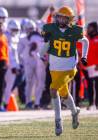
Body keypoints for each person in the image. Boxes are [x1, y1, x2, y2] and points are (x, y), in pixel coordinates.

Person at [41, 6, 89, 136]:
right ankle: (74, 112)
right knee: (64, 93)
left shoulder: (74, 31)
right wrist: (41, 53)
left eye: (64, 17)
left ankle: (58, 120)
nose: (61, 19)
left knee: (53, 90)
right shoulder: (50, 29)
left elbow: (85, 41)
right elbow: (46, 45)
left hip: (69, 67)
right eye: (59, 16)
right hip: (55, 68)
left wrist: (84, 56)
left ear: (69, 19)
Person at [3, 20, 20, 108]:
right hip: (8, 65)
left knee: (10, 85)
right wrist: (14, 66)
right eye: (13, 29)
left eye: (16, 30)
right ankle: (3, 103)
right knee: (6, 85)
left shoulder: (14, 37)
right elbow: (8, 52)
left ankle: (5, 103)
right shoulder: (6, 36)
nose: (15, 31)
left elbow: (15, 53)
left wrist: (17, 65)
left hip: (12, 65)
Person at [85, 22, 98, 110]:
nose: (88, 29)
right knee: (90, 86)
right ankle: (91, 103)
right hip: (88, 66)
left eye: (90, 27)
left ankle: (96, 104)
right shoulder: (87, 38)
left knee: (96, 86)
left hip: (96, 66)